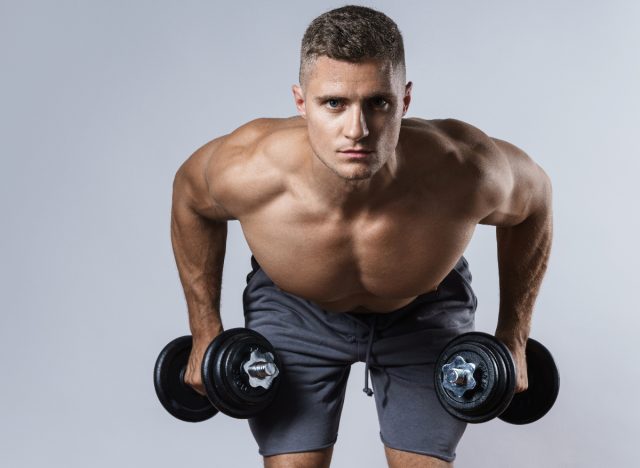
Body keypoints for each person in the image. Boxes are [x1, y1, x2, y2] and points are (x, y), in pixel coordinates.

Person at [170, 5, 553, 468]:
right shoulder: (249, 167)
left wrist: (514, 335)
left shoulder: (463, 169)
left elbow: (534, 204)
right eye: (334, 103)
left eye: (378, 102)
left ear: (405, 100)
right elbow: (191, 201)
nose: (358, 130)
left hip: (423, 312)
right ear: (300, 102)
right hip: (295, 311)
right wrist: (204, 329)